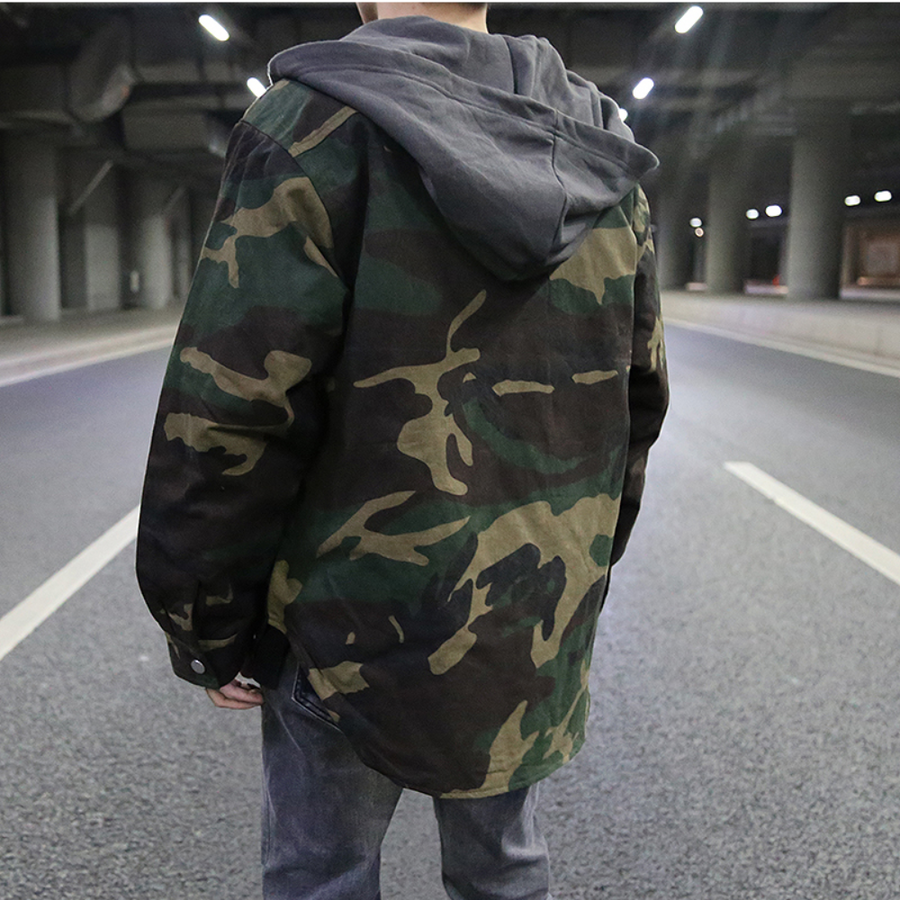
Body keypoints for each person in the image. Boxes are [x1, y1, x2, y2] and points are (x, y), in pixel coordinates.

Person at [136, 2, 668, 898]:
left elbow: (231, 401)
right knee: (503, 869)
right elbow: (635, 399)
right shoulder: (599, 150)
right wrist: (578, 573)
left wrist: (207, 625)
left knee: (323, 872)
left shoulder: (308, 127)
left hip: (344, 621)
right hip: (525, 606)